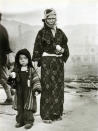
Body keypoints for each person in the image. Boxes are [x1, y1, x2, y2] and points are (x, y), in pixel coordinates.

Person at [32, 8, 69, 123]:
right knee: (48, 87)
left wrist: (62, 50)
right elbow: (37, 48)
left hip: (58, 64)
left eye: (54, 18)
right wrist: (36, 62)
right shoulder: (41, 33)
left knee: (58, 87)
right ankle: (46, 115)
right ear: (45, 19)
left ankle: (56, 113)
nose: (52, 20)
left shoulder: (60, 32)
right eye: (50, 18)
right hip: (47, 63)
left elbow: (65, 47)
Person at [8, 49, 41, 129]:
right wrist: (12, 77)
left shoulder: (31, 70)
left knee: (28, 106)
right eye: (20, 58)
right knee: (20, 106)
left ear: (28, 59)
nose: (22, 60)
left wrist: (36, 89)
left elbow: (36, 79)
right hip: (19, 91)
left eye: (25, 58)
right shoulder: (16, 70)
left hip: (28, 92)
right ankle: (20, 121)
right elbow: (11, 81)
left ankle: (29, 121)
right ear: (18, 60)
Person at [0, 12, 14, 105]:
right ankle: (12, 91)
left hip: (0, 57)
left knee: (2, 78)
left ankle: (9, 98)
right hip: (3, 57)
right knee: (4, 77)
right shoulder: (2, 29)